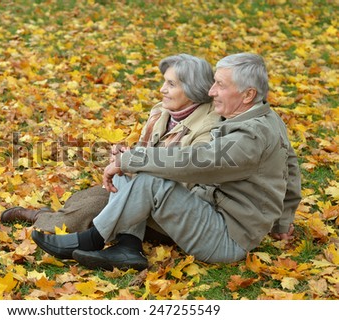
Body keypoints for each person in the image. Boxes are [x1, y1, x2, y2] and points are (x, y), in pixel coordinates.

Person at [32, 52, 302, 271]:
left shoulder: (250, 136)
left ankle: (90, 239)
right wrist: (282, 223)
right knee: (139, 168)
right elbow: (289, 167)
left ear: (248, 95)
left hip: (227, 237)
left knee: (146, 173)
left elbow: (200, 162)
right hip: (215, 216)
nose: (211, 91)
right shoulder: (265, 118)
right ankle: (127, 247)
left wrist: (132, 159)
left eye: (220, 85)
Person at [0, 54, 220, 237]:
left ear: (193, 90)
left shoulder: (208, 128)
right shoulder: (162, 112)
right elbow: (146, 153)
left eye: (171, 84)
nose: (162, 89)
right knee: (94, 196)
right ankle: (55, 215)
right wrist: (125, 156)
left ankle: (37, 217)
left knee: (95, 208)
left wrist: (132, 165)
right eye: (164, 81)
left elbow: (188, 176)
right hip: (145, 190)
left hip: (176, 208)